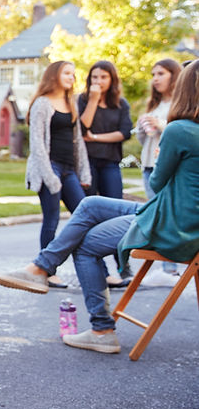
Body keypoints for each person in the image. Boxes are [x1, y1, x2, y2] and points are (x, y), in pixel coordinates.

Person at [0, 59, 199, 353]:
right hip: (177, 219)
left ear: (186, 91)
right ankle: (40, 268)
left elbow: (160, 182)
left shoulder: (180, 130)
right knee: (89, 205)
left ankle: (101, 329)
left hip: (170, 224)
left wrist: (164, 150)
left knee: (85, 244)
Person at [25, 61, 91, 286]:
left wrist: (84, 173)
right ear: (54, 75)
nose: (72, 77)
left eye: (73, 74)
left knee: (84, 215)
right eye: (67, 73)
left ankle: (95, 268)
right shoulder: (42, 104)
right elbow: (37, 144)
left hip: (69, 168)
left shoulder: (71, 102)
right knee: (51, 220)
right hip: (49, 167)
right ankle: (46, 271)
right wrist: (49, 177)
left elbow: (78, 140)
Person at [78, 60, 133, 283]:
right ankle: (99, 268)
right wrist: (92, 100)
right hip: (88, 162)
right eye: (94, 77)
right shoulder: (82, 100)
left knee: (117, 213)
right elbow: (82, 127)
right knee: (91, 212)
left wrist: (96, 137)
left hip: (110, 162)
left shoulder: (120, 104)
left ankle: (123, 265)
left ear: (112, 79)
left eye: (103, 77)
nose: (98, 82)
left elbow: (124, 133)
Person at [137, 59, 182, 283]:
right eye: (153, 74)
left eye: (161, 73)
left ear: (174, 76)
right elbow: (142, 140)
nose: (155, 78)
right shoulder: (152, 104)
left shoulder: (180, 104)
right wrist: (143, 126)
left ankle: (170, 268)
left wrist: (160, 124)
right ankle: (167, 266)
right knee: (156, 214)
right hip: (148, 165)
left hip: (166, 166)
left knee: (165, 216)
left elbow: (180, 134)